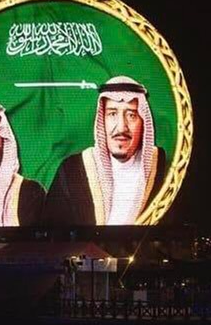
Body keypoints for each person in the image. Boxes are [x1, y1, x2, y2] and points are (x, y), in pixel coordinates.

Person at [43, 77, 168, 227]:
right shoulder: (72, 170)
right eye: (112, 114)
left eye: (131, 115)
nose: (121, 127)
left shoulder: (161, 167)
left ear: (143, 122)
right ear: (102, 119)